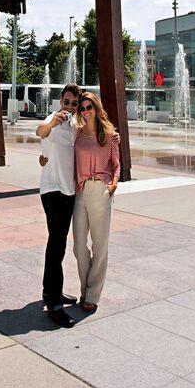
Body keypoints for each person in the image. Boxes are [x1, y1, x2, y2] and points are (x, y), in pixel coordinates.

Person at [36, 83, 81, 328]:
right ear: (60, 101)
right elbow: (40, 131)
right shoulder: (53, 118)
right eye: (67, 102)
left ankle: (50, 291)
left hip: (68, 191)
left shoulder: (75, 123)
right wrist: (52, 124)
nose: (70, 107)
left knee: (59, 244)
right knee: (56, 245)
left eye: (74, 103)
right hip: (53, 190)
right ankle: (54, 303)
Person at [72, 91, 120, 313]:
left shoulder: (109, 136)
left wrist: (114, 183)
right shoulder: (77, 134)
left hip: (101, 188)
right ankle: (84, 288)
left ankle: (91, 294)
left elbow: (116, 164)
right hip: (80, 191)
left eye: (89, 107)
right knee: (79, 245)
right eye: (82, 108)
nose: (85, 111)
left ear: (96, 108)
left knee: (100, 245)